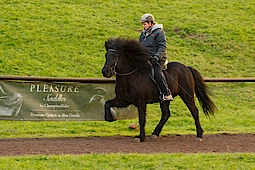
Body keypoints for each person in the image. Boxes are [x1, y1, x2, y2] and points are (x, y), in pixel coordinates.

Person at [139, 14, 173, 101]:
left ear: (150, 23)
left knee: (157, 74)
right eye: (142, 24)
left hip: (158, 59)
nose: (143, 26)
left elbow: (162, 47)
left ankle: (166, 93)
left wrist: (156, 57)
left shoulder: (159, 32)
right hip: (146, 58)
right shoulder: (143, 34)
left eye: (145, 24)